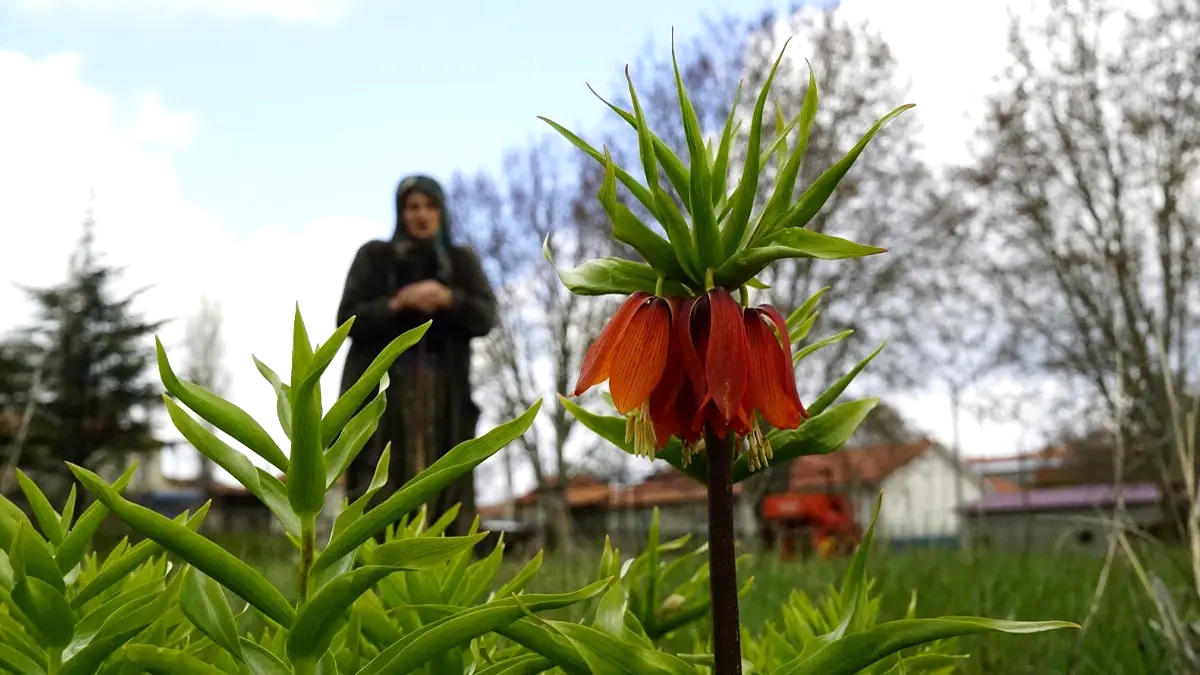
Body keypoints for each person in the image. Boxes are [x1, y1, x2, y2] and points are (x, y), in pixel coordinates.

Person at [336, 174, 497, 537]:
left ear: (441, 212)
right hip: (384, 393)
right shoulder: (375, 257)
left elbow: (486, 316)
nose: (421, 215)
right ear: (401, 213)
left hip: (445, 394)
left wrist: (449, 299)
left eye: (429, 206)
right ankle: (372, 578)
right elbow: (346, 319)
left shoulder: (460, 261)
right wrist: (397, 303)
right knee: (379, 481)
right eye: (412, 207)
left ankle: (442, 577)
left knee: (446, 480)